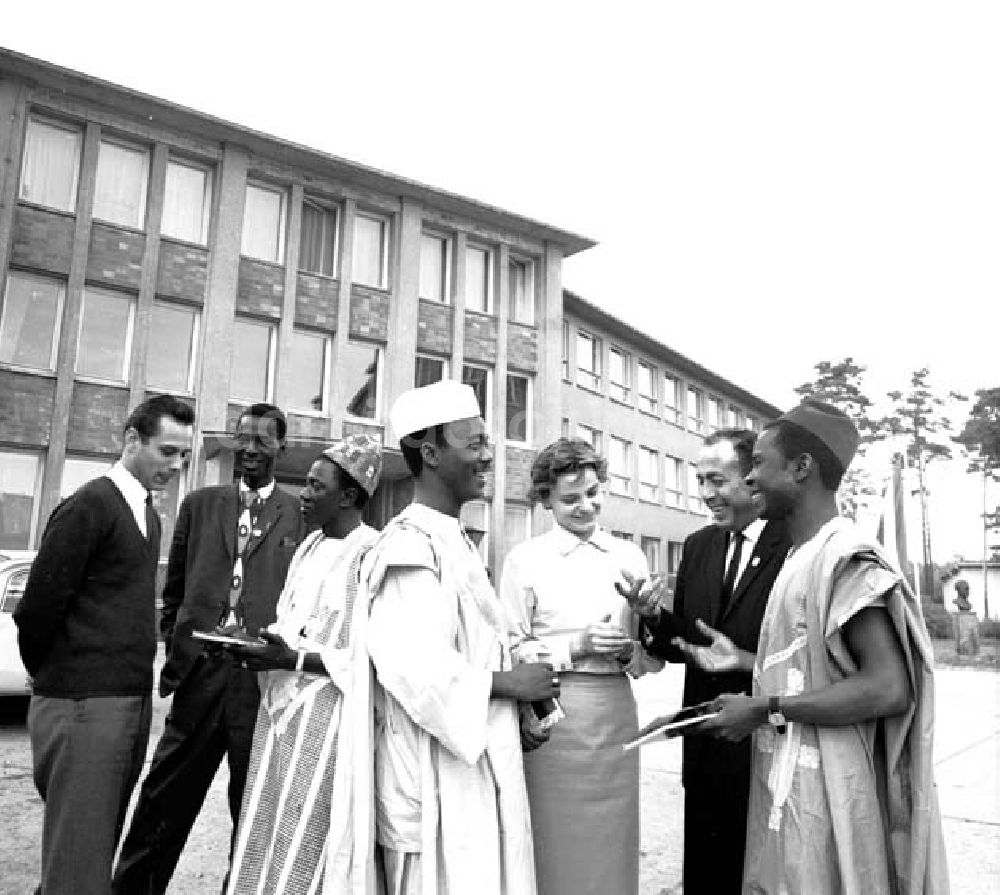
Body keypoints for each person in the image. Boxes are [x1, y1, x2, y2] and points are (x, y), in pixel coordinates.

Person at [701, 399, 949, 894]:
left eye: (759, 465)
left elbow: (887, 688)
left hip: (832, 794)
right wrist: (748, 665)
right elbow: (815, 665)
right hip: (788, 788)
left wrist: (766, 709)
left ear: (801, 468)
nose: (749, 479)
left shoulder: (845, 556)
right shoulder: (800, 556)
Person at [365, 379, 559, 895]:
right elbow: (415, 668)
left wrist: (522, 703)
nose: (487, 454)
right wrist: (510, 685)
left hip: (474, 769)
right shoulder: (408, 547)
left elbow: (477, 644)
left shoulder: (452, 539)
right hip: (433, 782)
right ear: (430, 452)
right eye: (473, 443)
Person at [113, 403, 304, 894]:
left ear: (281, 447)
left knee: (254, 807)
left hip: (259, 683)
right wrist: (176, 644)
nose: (250, 448)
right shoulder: (200, 505)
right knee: (163, 798)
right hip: (199, 674)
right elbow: (174, 589)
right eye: (243, 437)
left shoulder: (298, 515)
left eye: (263, 440)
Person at [14, 394, 195, 895]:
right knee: (77, 870)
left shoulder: (149, 516)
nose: (177, 466)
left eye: (184, 456)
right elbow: (37, 611)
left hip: (126, 705)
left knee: (90, 857)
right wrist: (59, 680)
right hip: (82, 705)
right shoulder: (90, 505)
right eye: (167, 452)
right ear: (131, 440)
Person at [625, 428, 790, 895]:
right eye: (699, 481)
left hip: (767, 748)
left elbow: (810, 659)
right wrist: (654, 618)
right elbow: (686, 645)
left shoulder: (796, 546)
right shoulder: (698, 546)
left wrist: (744, 662)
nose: (704, 494)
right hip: (705, 749)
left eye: (716, 481)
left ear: (754, 479)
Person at [499, 437, 661, 895]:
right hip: (555, 716)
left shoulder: (628, 556)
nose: (585, 506)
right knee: (555, 837)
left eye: (593, 493)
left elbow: (648, 659)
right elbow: (511, 645)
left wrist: (633, 647)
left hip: (616, 714)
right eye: (570, 498)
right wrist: (577, 645)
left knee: (614, 839)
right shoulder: (525, 559)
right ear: (545, 499)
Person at [225, 435, 383, 895]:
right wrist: (255, 644)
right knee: (267, 823)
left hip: (329, 720)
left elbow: (368, 655)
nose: (305, 495)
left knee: (310, 838)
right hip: (278, 713)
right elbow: (292, 624)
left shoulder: (371, 554)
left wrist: (292, 657)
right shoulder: (309, 546)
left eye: (316, 486)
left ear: (349, 496)